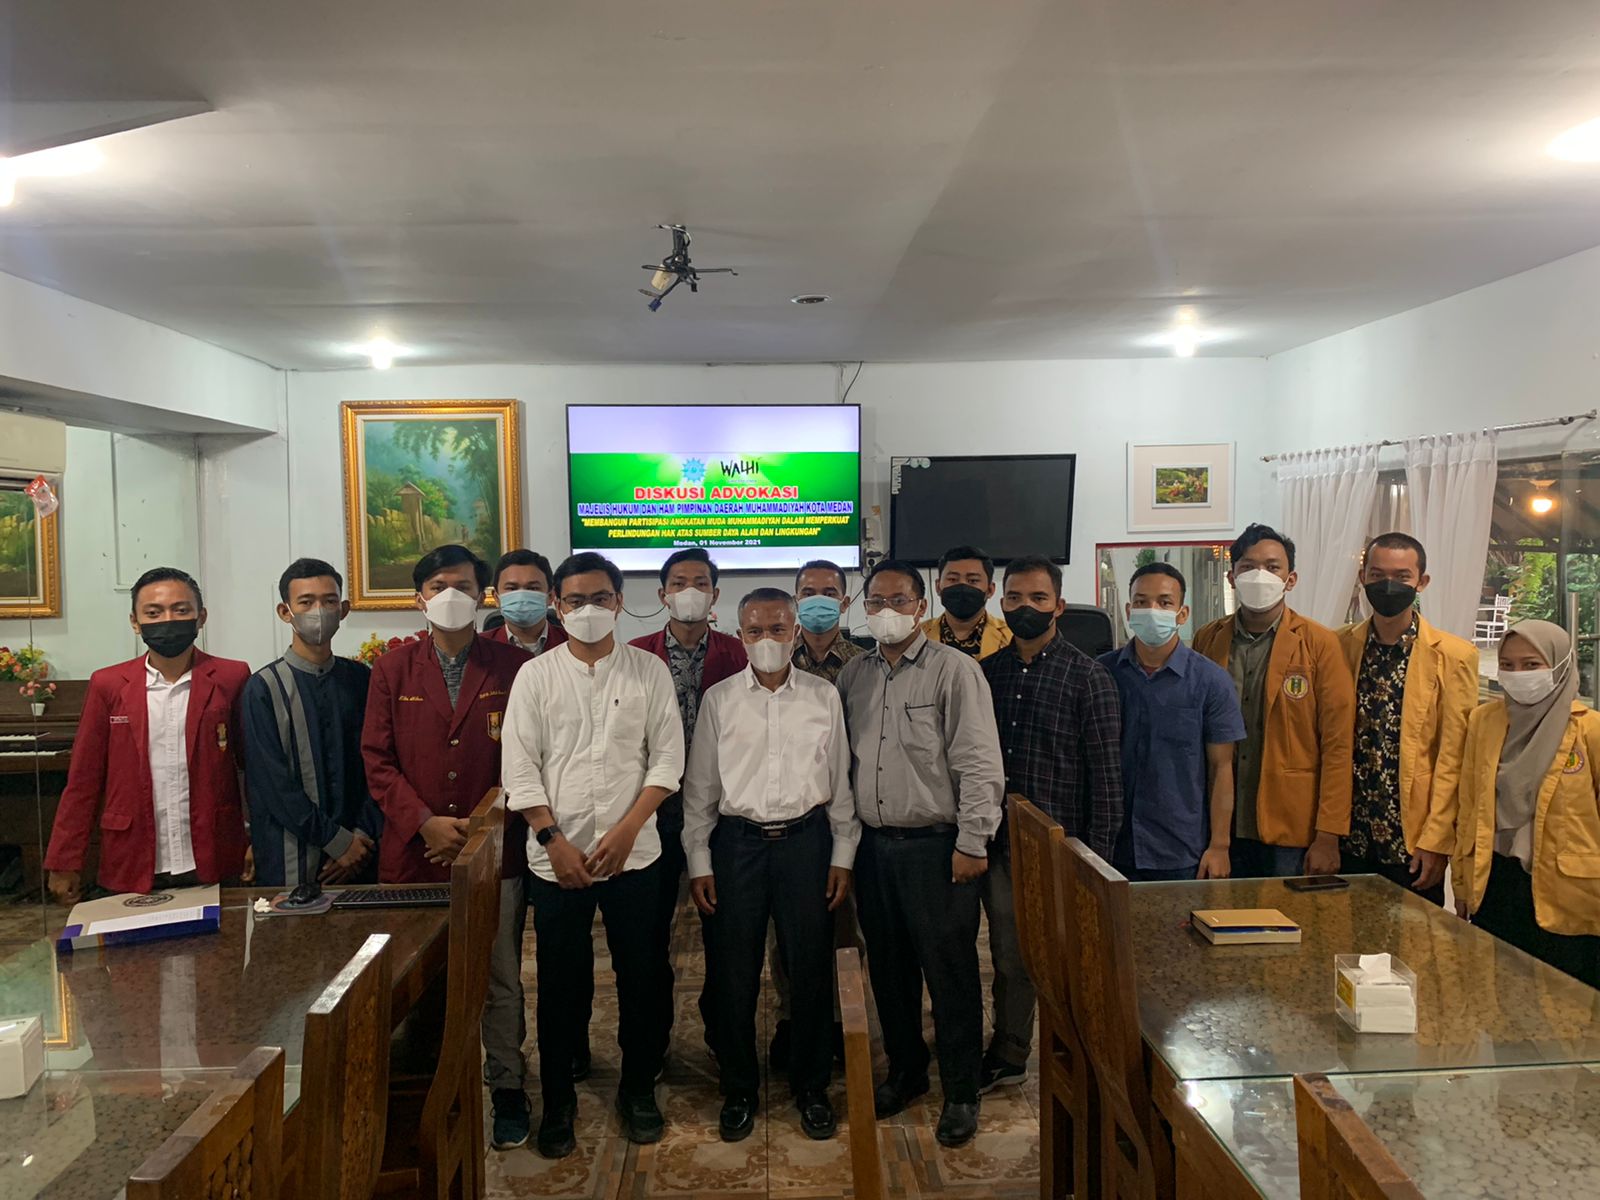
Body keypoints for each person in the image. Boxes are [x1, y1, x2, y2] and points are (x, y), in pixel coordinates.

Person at [503, 552, 685, 1157]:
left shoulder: (649, 671)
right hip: (558, 860)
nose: (588, 610)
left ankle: (638, 1089)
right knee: (561, 983)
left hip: (636, 856)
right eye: (576, 600)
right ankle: (559, 1101)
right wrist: (552, 841)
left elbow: (667, 760)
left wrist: (631, 827)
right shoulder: (535, 677)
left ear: (620, 602)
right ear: (558, 606)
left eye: (600, 598)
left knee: (642, 977)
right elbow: (519, 768)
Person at [359, 545, 534, 1142]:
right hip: (414, 857)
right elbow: (377, 760)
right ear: (419, 598)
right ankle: (425, 1090)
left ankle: (506, 1084)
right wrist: (425, 822)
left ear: (483, 596)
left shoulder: (514, 666)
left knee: (498, 977)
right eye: (438, 586)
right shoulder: (392, 668)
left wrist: (482, 829)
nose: (451, 595)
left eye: (463, 585)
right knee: (415, 980)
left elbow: (528, 759)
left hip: (495, 854)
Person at [838, 559, 1003, 1149]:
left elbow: (979, 762)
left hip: (938, 848)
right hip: (873, 848)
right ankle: (906, 1071)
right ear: (864, 607)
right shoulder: (853, 676)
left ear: (921, 604)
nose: (887, 611)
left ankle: (960, 1090)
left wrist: (972, 841)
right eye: (876, 601)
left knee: (950, 971)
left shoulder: (954, 671)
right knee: (889, 970)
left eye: (899, 600)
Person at [683, 588, 859, 1143]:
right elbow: (700, 788)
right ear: (740, 636)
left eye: (778, 629)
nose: (767, 640)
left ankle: (812, 1086)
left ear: (795, 632)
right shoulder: (719, 700)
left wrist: (842, 854)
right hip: (737, 846)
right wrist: (699, 859)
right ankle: (739, 1087)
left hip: (807, 844)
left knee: (809, 969)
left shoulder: (823, 696)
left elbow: (839, 782)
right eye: (755, 631)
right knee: (732, 972)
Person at [981, 555, 1122, 1092]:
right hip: (995, 840)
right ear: (1002, 604)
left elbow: (1106, 777)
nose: (1026, 607)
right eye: (1015, 598)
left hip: (1059, 846)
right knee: (1007, 954)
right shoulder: (986, 673)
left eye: (1038, 598)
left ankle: (1067, 1055)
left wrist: (1095, 860)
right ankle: (1007, 1047)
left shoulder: (1089, 676)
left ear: (1059, 606)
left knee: (1058, 960)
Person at [46, 567, 249, 902]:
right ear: (135, 622)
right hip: (131, 857)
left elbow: (251, 767)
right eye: (153, 613)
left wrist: (256, 839)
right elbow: (83, 780)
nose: (167, 620)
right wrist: (65, 860)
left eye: (180, 610)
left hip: (215, 852)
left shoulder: (232, 677)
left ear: (201, 617)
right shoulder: (108, 685)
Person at [629, 546, 747, 1041]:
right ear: (662, 594)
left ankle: (722, 1037)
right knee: (647, 937)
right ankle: (652, 1041)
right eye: (678, 583)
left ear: (715, 595)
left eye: (700, 583)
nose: (689, 592)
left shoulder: (740, 653)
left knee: (725, 935)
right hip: (651, 812)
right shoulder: (634, 655)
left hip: (720, 814)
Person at [1194, 524, 1355, 878]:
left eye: (1272, 567)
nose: (1259, 575)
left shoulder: (1320, 644)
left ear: (1290, 579)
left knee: (1287, 912)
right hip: (1219, 824)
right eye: (1248, 567)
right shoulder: (1208, 638)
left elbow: (1338, 745)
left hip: (1292, 826)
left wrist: (1329, 835)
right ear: (1232, 577)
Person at [1454, 621, 1600, 988]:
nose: (1518, 674)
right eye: (1508, 665)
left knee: (1568, 1009)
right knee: (1498, 1000)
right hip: (1495, 885)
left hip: (1571, 895)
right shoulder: (1484, 721)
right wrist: (1462, 883)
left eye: (1531, 665)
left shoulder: (1591, 731)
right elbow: (1469, 807)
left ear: (1561, 664)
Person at [1334, 533, 1478, 904]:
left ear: (1421, 582)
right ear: (1363, 577)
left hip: (1411, 838)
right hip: (1347, 832)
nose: (1388, 585)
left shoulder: (1454, 656)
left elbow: (1454, 757)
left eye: (1401, 577)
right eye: (1377, 574)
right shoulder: (1338, 646)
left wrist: (1437, 840)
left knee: (1414, 936)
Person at [1098, 563, 1244, 882]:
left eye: (1164, 602)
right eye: (1141, 602)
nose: (1152, 610)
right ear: (1128, 610)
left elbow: (1221, 768)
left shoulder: (1210, 681)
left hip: (1180, 850)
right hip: (1109, 846)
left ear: (1182, 613)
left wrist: (1219, 846)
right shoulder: (1101, 674)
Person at [242, 557, 380, 890]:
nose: (319, 611)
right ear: (284, 611)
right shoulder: (263, 687)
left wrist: (360, 837)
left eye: (329, 601)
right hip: (289, 855)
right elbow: (272, 784)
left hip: (361, 853)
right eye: (306, 602)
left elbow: (378, 765)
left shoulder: (362, 679)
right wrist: (337, 842)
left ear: (343, 610)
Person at [922, 544, 1013, 659]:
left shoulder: (1011, 636)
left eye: (973, 580)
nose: (962, 586)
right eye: (953, 579)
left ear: (990, 590)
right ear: (938, 587)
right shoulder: (918, 636)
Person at [792, 558, 867, 683]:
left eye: (829, 594)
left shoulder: (863, 663)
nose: (818, 601)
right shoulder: (782, 659)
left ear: (844, 604)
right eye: (808, 594)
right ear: (796, 603)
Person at [487, 549, 568, 656]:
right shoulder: (477, 649)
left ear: (550, 596)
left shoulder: (572, 643)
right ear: (496, 598)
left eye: (533, 588)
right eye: (512, 588)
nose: (521, 596)